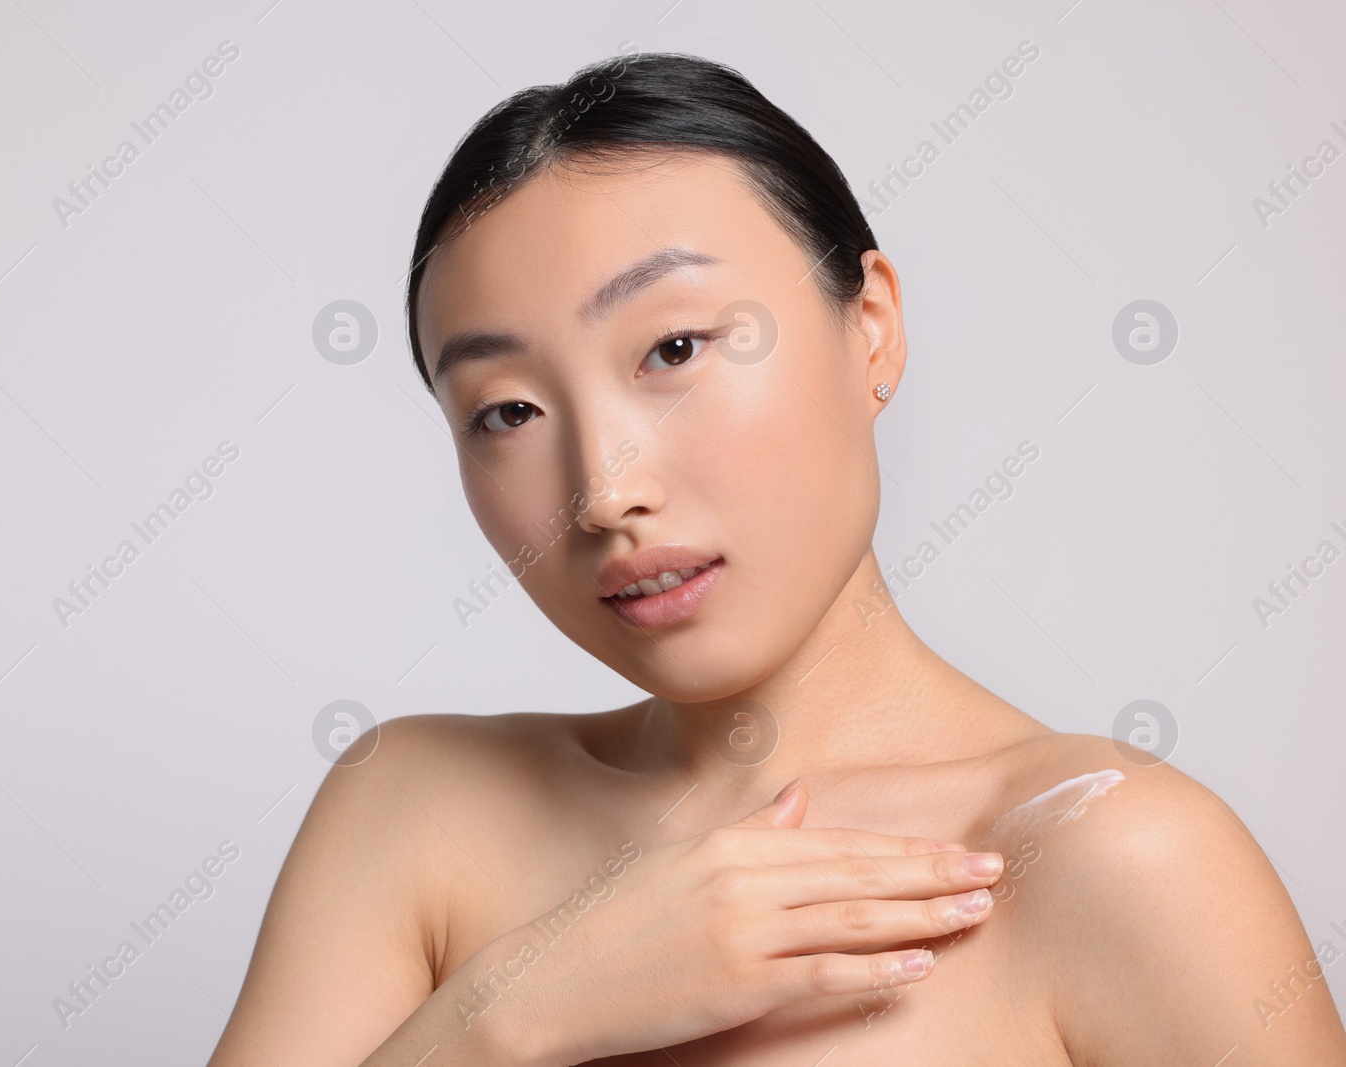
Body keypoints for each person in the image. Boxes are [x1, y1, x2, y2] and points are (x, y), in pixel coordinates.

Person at [206, 51, 1346, 1065]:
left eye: (675, 346)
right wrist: (516, 1010)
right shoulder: (408, 815)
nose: (603, 491)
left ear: (872, 329)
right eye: (506, 411)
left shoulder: (1118, 858)